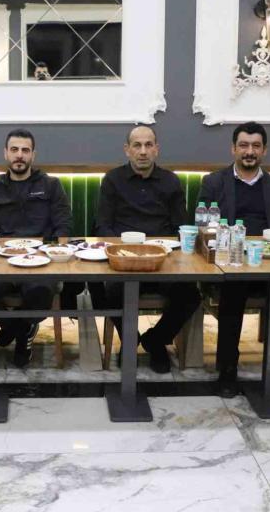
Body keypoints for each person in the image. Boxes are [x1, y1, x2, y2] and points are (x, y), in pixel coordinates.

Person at [198, 122, 270, 397]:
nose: (249, 151)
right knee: (234, 288)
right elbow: (203, 229)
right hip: (231, 262)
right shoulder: (214, 182)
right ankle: (227, 369)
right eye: (243, 145)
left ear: (264, 150)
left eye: (255, 146)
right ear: (233, 149)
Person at [95, 124, 201, 373]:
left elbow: (180, 226)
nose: (143, 151)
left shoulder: (170, 181)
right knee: (103, 291)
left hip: (162, 261)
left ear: (156, 149)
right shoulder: (112, 180)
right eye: (137, 145)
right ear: (127, 150)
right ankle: (129, 339)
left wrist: (167, 251)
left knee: (190, 295)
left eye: (148, 145)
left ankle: (156, 340)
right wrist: (120, 251)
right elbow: (102, 225)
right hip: (124, 261)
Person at [0, 129, 72, 367]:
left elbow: (63, 226)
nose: (19, 155)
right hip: (0, 262)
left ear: (33, 155)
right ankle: (21, 329)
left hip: (40, 262)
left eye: (25, 150)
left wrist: (57, 253)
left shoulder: (51, 185)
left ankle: (18, 332)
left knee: (40, 293)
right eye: (14, 150)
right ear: (6, 153)